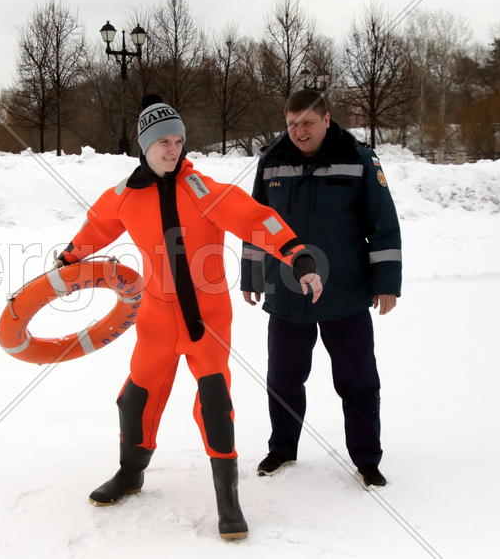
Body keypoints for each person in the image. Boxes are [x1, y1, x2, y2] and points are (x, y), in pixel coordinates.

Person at [57, 95, 323, 539]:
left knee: (216, 405)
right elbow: (96, 228)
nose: (173, 149)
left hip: (207, 321)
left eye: (178, 141)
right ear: (145, 146)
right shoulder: (124, 196)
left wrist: (297, 255)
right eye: (163, 142)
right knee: (136, 399)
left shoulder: (203, 191)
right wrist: (68, 259)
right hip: (156, 321)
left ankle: (228, 499)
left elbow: (256, 219)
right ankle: (130, 473)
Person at [241, 90, 402, 488]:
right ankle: (282, 448)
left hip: (344, 290)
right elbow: (256, 222)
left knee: (358, 380)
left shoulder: (359, 159)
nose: (299, 132)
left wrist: (386, 283)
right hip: (287, 291)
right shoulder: (272, 160)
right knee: (283, 379)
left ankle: (367, 459)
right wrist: (252, 275)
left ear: (327, 120)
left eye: (308, 123)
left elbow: (383, 223)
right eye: (292, 124)